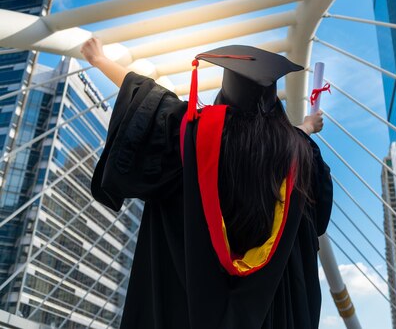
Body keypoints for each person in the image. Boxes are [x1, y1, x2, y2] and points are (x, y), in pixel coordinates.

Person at [81, 37, 333, 329]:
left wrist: (99, 60)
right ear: (273, 102)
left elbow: (147, 103)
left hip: (186, 309)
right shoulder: (299, 156)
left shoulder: (192, 135)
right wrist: (305, 129)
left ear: (225, 96)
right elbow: (319, 218)